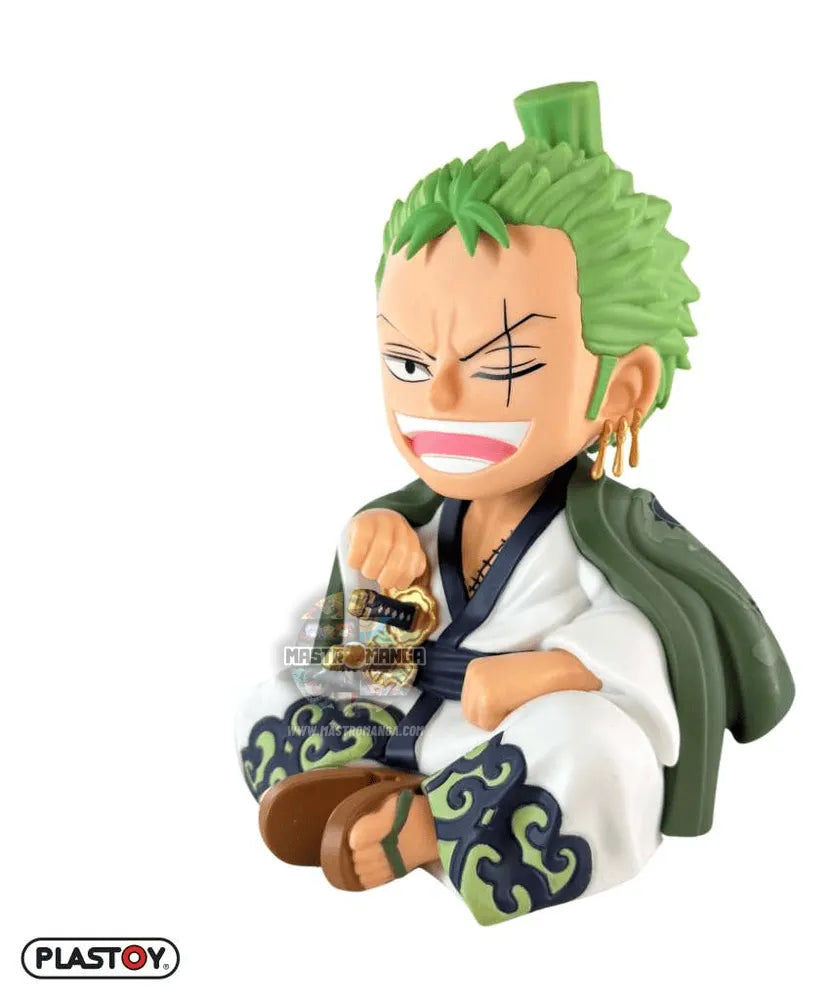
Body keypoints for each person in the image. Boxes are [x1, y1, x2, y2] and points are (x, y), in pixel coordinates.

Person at [236, 81, 794, 925]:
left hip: (507, 741)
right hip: (410, 716)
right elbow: (365, 655)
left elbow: (645, 639)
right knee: (268, 696)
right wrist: (375, 561)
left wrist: (549, 671)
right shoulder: (416, 517)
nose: (442, 396)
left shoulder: (604, 534)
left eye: (500, 366)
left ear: (623, 387)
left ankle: (429, 828)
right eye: (409, 364)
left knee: (600, 751)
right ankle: (370, 788)